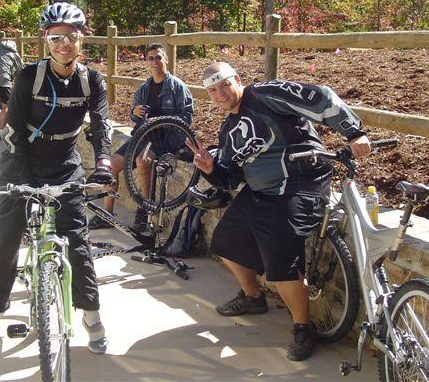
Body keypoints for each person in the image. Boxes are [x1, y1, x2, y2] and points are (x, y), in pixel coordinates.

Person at [186, 61, 371, 361]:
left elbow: (320, 97)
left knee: (280, 251)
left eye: (224, 85)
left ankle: (303, 327)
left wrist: (354, 132)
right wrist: (210, 169)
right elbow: (231, 179)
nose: (220, 93)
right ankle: (253, 297)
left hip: (302, 181)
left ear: (238, 80)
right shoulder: (229, 129)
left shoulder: (266, 94)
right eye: (212, 90)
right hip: (262, 191)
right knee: (224, 242)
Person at [0, 2, 115, 354]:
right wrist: (19, 182)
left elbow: (100, 125)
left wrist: (101, 163)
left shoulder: (91, 80)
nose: (63, 44)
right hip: (21, 159)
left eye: (70, 37)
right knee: (3, 233)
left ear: (82, 39)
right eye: (55, 38)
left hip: (65, 160)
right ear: (46, 41)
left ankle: (91, 315)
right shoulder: (28, 77)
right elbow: (15, 128)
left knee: (77, 239)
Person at [88, 43, 194, 232]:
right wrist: (135, 112)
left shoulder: (177, 87)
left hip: (166, 139)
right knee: (110, 166)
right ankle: (107, 214)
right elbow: (132, 116)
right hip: (142, 137)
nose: (154, 61)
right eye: (151, 58)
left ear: (166, 60)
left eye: (158, 57)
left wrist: (161, 120)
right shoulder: (144, 88)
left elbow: (187, 118)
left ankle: (144, 211)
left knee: (143, 161)